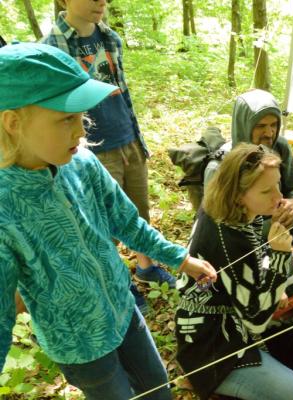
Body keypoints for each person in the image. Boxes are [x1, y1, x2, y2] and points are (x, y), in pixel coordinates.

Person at [0, 42, 217, 399]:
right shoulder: (5, 207)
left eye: (81, 116)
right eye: (66, 118)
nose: (81, 131)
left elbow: (128, 223)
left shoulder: (82, 163)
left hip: (123, 309)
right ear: (13, 122)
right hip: (80, 345)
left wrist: (181, 259)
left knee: (158, 389)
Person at [41, 0, 176, 301]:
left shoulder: (110, 38)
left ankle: (146, 267)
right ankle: (117, 282)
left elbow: (122, 91)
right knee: (103, 225)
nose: (101, 0)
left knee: (138, 211)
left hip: (127, 138)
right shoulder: (52, 47)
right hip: (92, 150)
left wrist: (136, 138)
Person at [176, 143, 293, 400]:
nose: (278, 197)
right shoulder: (229, 238)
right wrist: (279, 255)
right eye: (267, 190)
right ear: (237, 194)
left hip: (234, 319)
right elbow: (256, 318)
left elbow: (252, 271)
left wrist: (275, 284)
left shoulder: (235, 212)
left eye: (278, 185)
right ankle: (204, 381)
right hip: (214, 347)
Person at [205, 89, 293, 284]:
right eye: (260, 126)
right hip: (245, 237)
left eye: (274, 125)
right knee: (281, 282)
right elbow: (221, 227)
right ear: (244, 125)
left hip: (283, 219)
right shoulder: (221, 166)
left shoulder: (279, 146)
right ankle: (286, 287)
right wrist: (271, 224)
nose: (269, 133)